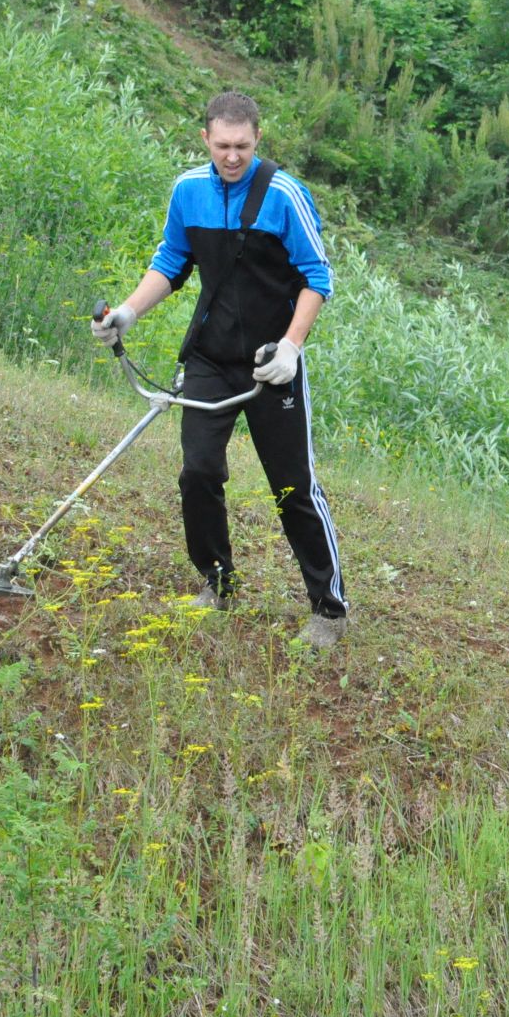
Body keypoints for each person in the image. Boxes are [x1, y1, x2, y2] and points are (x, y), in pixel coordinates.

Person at [91, 92, 351, 650]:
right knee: (198, 472)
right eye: (223, 146)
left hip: (270, 363)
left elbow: (317, 277)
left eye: (243, 147)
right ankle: (217, 582)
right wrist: (128, 313)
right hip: (210, 356)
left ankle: (328, 608)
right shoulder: (188, 191)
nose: (232, 156)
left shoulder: (284, 195)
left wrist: (290, 347)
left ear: (258, 140)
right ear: (205, 138)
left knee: (292, 487)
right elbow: (171, 261)